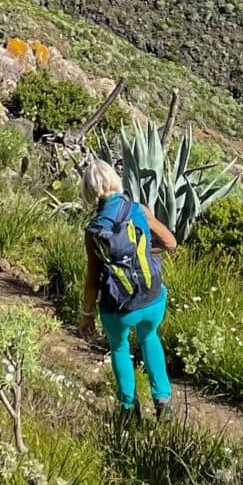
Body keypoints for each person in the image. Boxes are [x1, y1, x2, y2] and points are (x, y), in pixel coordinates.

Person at [79, 158, 178, 420]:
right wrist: (143, 250)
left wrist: (86, 315)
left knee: (120, 348)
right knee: (149, 338)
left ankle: (128, 409)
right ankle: (163, 401)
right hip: (152, 298)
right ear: (114, 180)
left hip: (119, 306)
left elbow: (92, 278)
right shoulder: (140, 210)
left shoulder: (94, 230)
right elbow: (170, 243)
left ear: (88, 191)